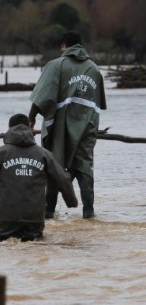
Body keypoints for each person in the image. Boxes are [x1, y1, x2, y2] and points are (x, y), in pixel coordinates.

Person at [0, 113, 78, 242]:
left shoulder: (1, 152)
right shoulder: (45, 154)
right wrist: (71, 202)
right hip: (34, 219)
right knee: (34, 249)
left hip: (5, 218)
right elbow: (63, 178)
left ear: (9, 129)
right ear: (29, 128)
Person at [28, 31, 106, 219]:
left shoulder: (56, 65)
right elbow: (99, 104)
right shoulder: (94, 69)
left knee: (55, 165)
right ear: (80, 45)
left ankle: (48, 212)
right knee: (84, 165)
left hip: (61, 128)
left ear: (64, 46)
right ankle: (89, 213)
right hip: (87, 127)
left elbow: (41, 98)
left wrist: (30, 118)